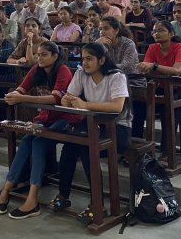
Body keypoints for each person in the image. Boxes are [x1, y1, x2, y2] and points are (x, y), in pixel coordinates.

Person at [0, 42, 79, 219]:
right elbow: (21, 88)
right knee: (27, 140)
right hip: (46, 116)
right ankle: (6, 190)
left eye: (44, 54)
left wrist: (21, 97)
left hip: (65, 118)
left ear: (55, 56)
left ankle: (32, 200)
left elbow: (56, 98)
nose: (39, 58)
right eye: (38, 54)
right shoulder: (37, 69)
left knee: (39, 140)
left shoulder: (63, 70)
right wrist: (13, 95)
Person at [51, 43, 131, 220]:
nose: (85, 63)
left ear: (101, 60)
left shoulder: (116, 77)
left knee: (87, 148)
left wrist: (85, 104)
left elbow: (117, 107)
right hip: (93, 125)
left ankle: (98, 203)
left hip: (117, 128)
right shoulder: (81, 73)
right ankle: (63, 195)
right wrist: (66, 100)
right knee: (70, 143)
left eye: (89, 59)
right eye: (83, 59)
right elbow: (69, 95)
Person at [134, 20, 181, 157]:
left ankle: (167, 153)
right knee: (137, 106)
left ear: (171, 33)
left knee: (168, 109)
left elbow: (177, 70)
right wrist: (144, 68)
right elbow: (148, 68)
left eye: (161, 30)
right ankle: (138, 150)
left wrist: (154, 66)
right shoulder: (153, 48)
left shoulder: (180, 47)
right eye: (154, 31)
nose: (157, 33)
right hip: (163, 89)